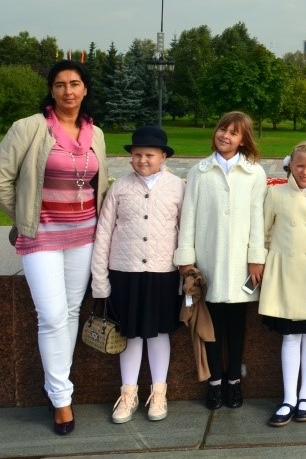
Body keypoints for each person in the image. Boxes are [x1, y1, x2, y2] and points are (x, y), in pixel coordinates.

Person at [0, 60, 108, 435]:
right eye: (60, 84)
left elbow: (100, 183)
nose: (68, 91)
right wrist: (26, 216)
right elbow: (3, 179)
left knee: (72, 310)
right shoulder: (28, 128)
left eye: (75, 84)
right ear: (51, 90)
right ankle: (61, 398)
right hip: (41, 236)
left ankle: (56, 386)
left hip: (84, 236)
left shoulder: (95, 133)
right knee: (51, 315)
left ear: (85, 89)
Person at [173, 112, 267, 410]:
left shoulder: (255, 173)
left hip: (241, 262)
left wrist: (255, 259)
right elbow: (188, 217)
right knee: (209, 326)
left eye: (234, 133)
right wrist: (186, 259)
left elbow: (257, 220)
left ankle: (234, 382)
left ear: (243, 139)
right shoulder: (200, 171)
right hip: (208, 261)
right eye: (222, 130)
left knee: (237, 327)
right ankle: (214, 382)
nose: (226, 136)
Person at [91, 126, 183, 423]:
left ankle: (159, 392)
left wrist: (185, 274)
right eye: (137, 154)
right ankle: (128, 393)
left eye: (149, 155)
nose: (142, 160)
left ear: (162, 156)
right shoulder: (119, 188)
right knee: (129, 335)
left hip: (162, 272)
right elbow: (104, 232)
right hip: (125, 271)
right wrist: (100, 280)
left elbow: (184, 230)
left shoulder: (177, 186)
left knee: (158, 333)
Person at [259, 142, 306, 427]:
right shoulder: (275, 194)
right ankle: (289, 397)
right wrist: (261, 262)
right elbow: (263, 232)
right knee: (290, 335)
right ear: (290, 164)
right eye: (300, 165)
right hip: (284, 271)